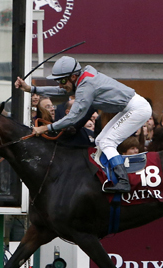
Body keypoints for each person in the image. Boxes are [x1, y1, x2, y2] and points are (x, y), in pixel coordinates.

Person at [15, 56, 152, 193]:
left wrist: (46, 128)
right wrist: (31, 89)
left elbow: (72, 118)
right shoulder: (82, 80)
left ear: (74, 77)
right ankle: (107, 175)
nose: (60, 84)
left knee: (107, 142)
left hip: (137, 109)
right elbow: (62, 90)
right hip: (131, 107)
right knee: (100, 140)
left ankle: (124, 181)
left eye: (62, 80)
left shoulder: (86, 85)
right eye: (58, 81)